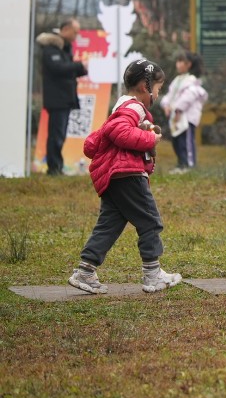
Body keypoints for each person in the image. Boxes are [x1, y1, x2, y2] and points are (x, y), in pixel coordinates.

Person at [67, 60, 183, 294]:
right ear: (144, 87)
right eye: (157, 89)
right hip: (127, 174)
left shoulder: (121, 107)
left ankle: (85, 271)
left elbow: (110, 134)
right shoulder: (133, 108)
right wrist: (150, 139)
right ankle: (152, 274)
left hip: (115, 177)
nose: (157, 95)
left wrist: (144, 131)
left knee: (109, 225)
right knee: (150, 221)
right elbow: (118, 132)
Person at [36, 17, 88, 175]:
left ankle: (57, 166)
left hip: (65, 99)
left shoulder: (65, 48)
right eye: (75, 32)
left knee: (60, 134)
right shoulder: (51, 48)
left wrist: (82, 69)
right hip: (57, 99)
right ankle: (54, 168)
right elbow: (58, 68)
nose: (76, 36)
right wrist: (78, 65)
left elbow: (67, 69)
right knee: (56, 135)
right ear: (65, 30)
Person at [162, 51, 207, 172]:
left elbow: (188, 97)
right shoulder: (177, 80)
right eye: (178, 61)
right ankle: (181, 163)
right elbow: (170, 94)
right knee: (176, 141)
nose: (178, 64)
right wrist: (166, 105)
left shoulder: (191, 80)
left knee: (186, 141)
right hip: (176, 118)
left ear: (188, 64)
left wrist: (178, 109)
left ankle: (189, 164)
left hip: (186, 118)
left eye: (181, 61)